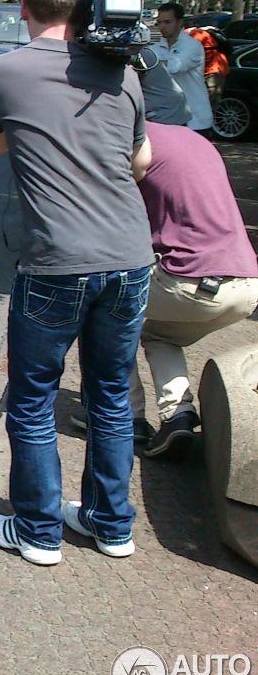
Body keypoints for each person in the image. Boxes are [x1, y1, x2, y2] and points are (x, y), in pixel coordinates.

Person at [0, 0, 154, 566]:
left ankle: (38, 531)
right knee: (109, 394)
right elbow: (141, 163)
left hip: (56, 262)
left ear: (23, 8)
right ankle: (111, 526)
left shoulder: (3, 72)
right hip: (131, 257)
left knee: (32, 400)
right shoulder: (124, 73)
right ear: (84, 10)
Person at [128, 122, 258, 457]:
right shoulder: (190, 139)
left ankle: (126, 417)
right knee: (160, 335)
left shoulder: (130, 145)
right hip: (246, 282)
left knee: (100, 307)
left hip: (189, 282)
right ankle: (177, 415)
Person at [153, 2, 213, 134]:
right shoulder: (156, 48)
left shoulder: (192, 46)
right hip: (169, 119)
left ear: (180, 22)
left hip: (196, 120)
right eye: (159, 22)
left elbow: (175, 67)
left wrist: (150, 63)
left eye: (167, 22)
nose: (162, 26)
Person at [186, 25, 231, 111]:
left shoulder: (195, 35)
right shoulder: (204, 32)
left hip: (212, 71)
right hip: (220, 68)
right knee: (212, 102)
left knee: (205, 104)